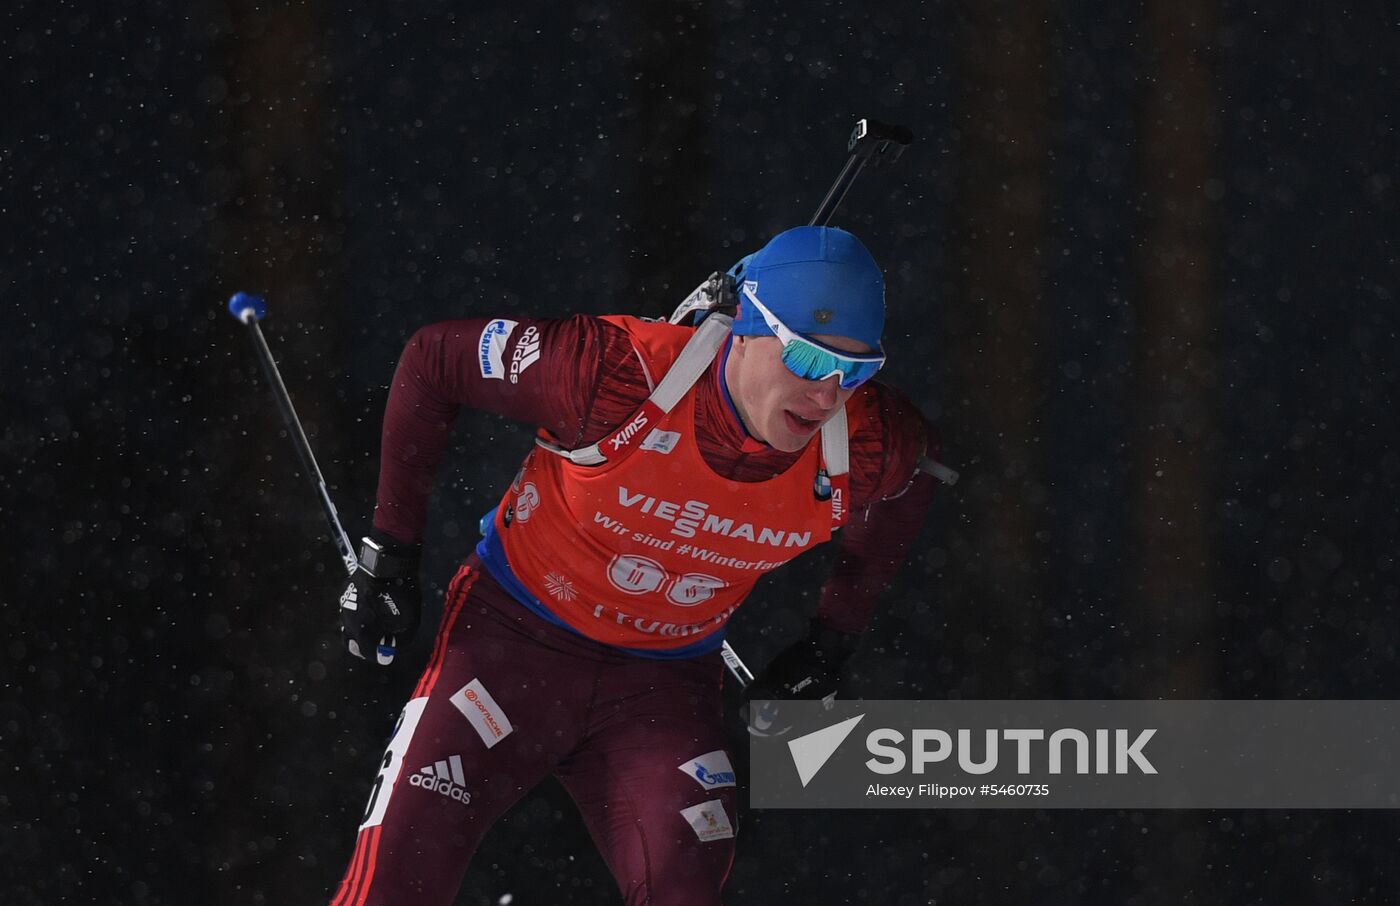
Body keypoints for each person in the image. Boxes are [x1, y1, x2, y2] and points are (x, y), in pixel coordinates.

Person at [329, 225, 942, 906]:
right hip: (510, 646)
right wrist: (389, 553)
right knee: (395, 885)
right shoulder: (614, 373)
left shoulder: (868, 442)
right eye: (805, 357)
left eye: (854, 371)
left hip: (660, 690)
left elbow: (916, 477)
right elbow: (433, 359)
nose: (827, 396)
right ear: (746, 326)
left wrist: (830, 642)